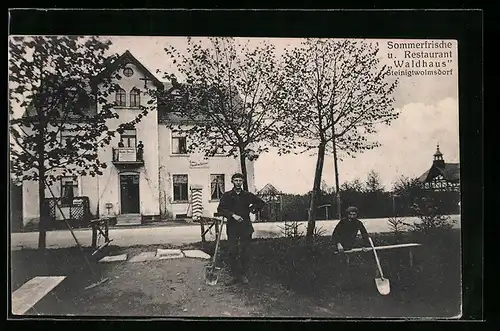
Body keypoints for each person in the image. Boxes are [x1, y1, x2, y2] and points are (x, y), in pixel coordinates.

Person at [217, 173, 265, 285]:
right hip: (232, 226)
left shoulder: (247, 195)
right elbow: (220, 209)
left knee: (245, 251)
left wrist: (252, 210)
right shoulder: (227, 195)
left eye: (240, 180)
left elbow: (261, 203)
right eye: (236, 180)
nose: (238, 182)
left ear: (242, 182)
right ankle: (235, 276)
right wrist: (232, 215)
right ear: (232, 182)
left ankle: (243, 275)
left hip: (245, 226)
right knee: (232, 251)